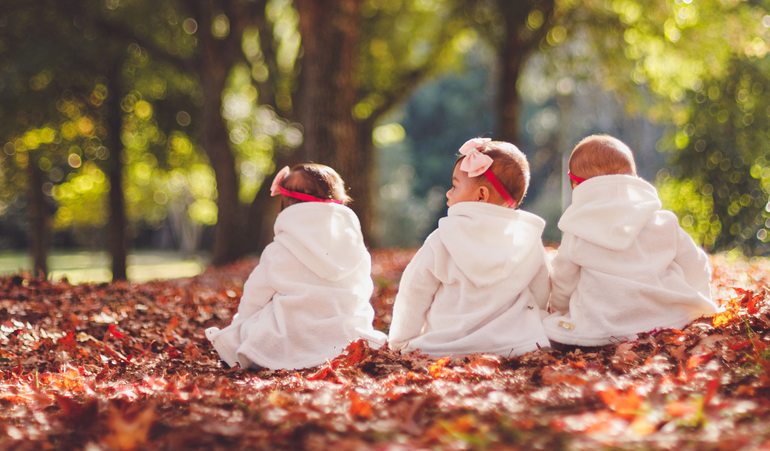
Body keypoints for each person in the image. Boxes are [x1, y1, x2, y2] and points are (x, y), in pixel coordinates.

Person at [205, 163, 386, 370]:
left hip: (289, 335)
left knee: (248, 331)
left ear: (286, 203)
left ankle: (276, 355)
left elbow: (255, 295)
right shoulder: (355, 250)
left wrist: (243, 321)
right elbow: (362, 290)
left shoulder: (280, 250)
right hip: (346, 335)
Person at [544, 134, 717, 346]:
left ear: (576, 186)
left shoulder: (576, 231)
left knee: (551, 329)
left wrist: (561, 311)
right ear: (634, 179)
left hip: (602, 326)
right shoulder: (663, 222)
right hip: (669, 318)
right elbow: (696, 265)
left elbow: (563, 282)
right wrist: (699, 299)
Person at [387, 138, 550, 357]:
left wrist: (401, 340)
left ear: (480, 195)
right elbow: (541, 290)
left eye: (454, 186)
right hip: (515, 345)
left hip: (448, 345)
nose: (448, 193)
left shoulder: (442, 239)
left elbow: (414, 292)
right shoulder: (526, 239)